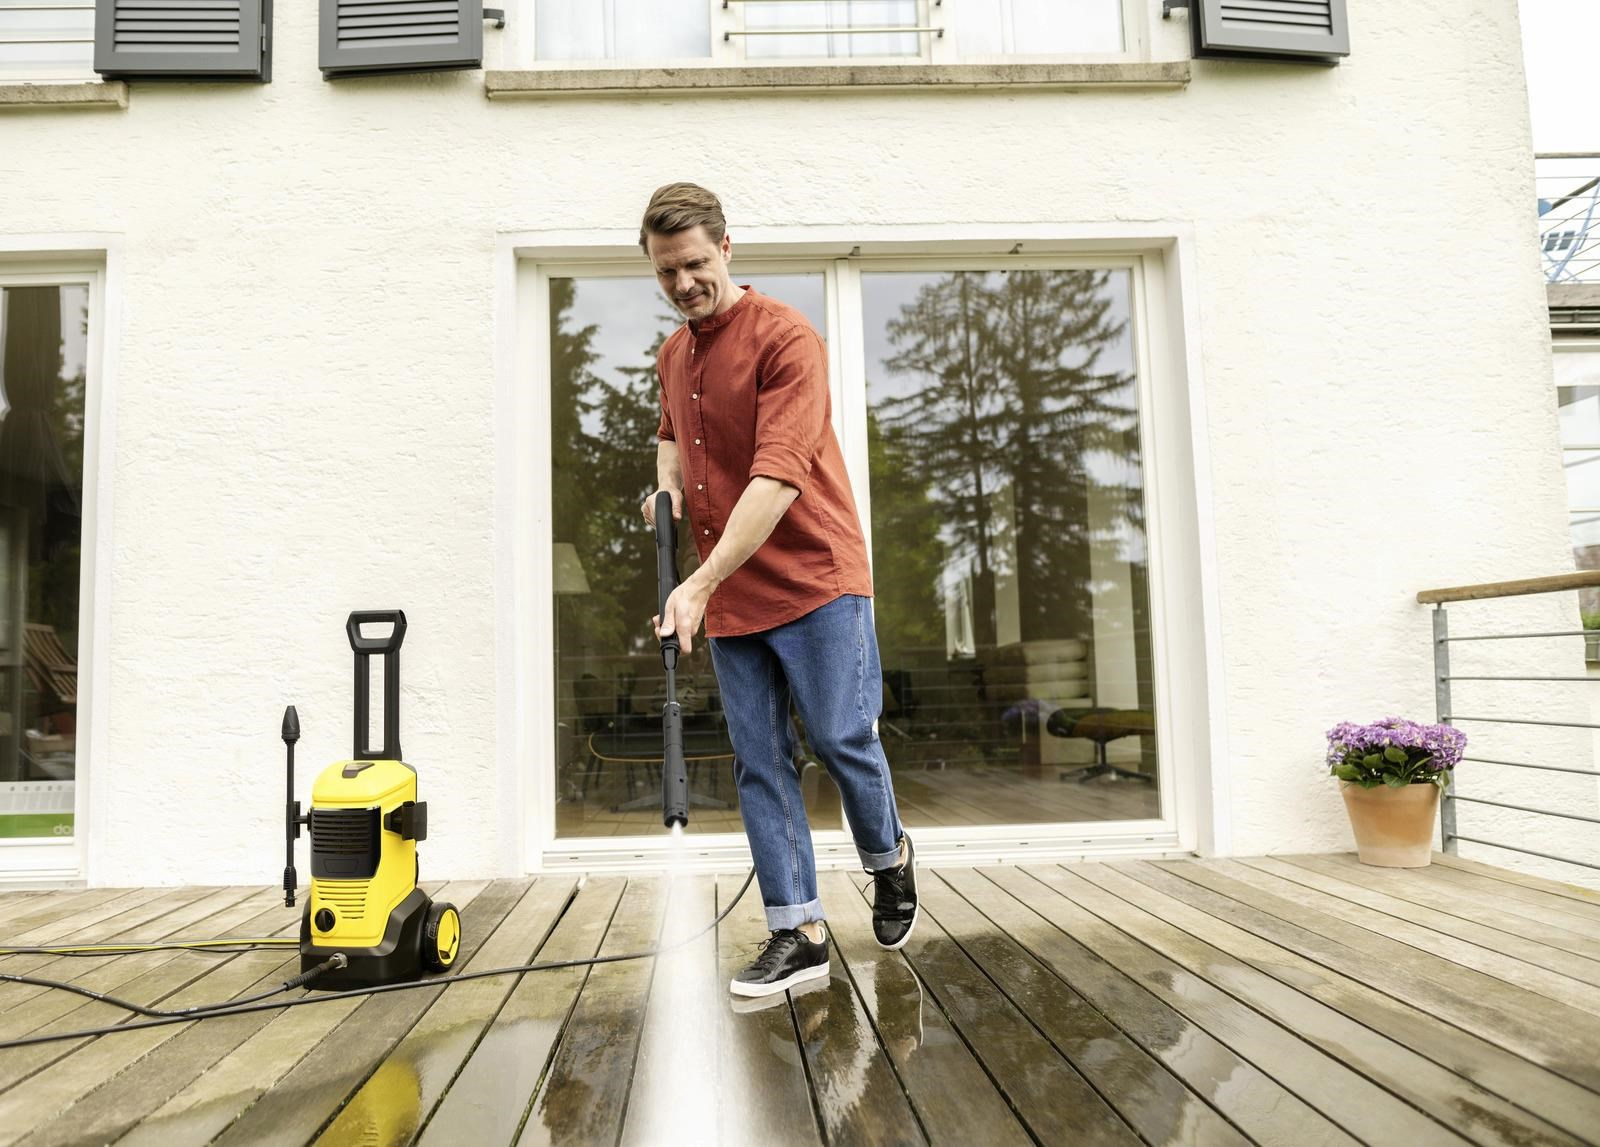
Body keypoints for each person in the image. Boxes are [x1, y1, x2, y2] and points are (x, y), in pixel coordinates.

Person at [638, 182, 919, 999]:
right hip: (732, 589)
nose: (684, 283)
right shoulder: (673, 355)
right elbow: (669, 437)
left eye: (695, 264)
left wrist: (698, 581)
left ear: (726, 248)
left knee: (839, 736)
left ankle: (889, 856)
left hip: (814, 578)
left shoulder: (786, 338)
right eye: (666, 271)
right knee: (760, 761)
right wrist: (666, 492)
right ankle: (799, 931)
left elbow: (777, 480)